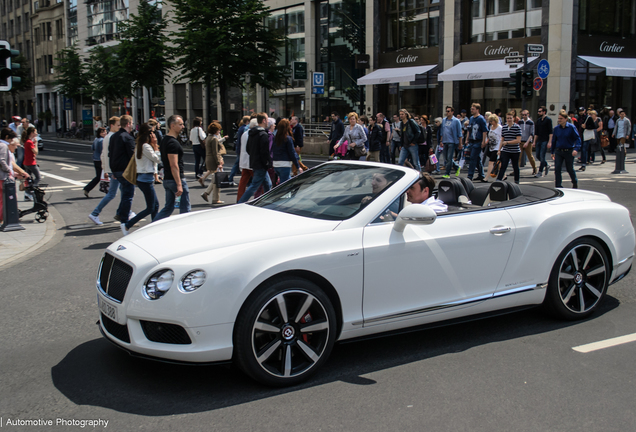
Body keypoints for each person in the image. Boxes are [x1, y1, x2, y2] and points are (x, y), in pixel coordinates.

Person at [121, 123, 161, 235]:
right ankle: (128, 224)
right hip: (146, 179)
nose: (154, 135)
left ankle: (154, 226)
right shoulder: (146, 146)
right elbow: (157, 159)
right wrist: (156, 146)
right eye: (152, 133)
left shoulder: (140, 145)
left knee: (155, 205)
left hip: (143, 178)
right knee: (150, 207)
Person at [155, 115, 191, 220]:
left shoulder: (165, 140)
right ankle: (184, 229)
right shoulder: (172, 143)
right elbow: (174, 164)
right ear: (172, 126)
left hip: (168, 179)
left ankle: (153, 226)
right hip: (174, 179)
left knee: (168, 208)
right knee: (185, 208)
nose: (183, 126)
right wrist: (179, 184)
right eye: (180, 124)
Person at [108, 114, 137, 234]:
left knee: (125, 192)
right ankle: (124, 221)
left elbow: (111, 153)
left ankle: (120, 213)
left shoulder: (114, 136)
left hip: (116, 170)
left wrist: (112, 170)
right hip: (126, 170)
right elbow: (133, 156)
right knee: (128, 195)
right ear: (129, 124)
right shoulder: (128, 138)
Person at [237, 113, 273, 203]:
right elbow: (265, 152)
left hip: (254, 162)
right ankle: (240, 202)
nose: (268, 121)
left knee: (267, 184)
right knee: (254, 185)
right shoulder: (263, 134)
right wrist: (267, 163)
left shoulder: (251, 133)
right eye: (267, 119)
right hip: (261, 164)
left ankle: (267, 201)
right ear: (264, 121)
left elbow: (248, 149)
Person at [551, 110, 581, 189]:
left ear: (565, 119)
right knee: (557, 169)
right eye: (558, 118)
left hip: (569, 151)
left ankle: (574, 182)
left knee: (569, 169)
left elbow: (577, 138)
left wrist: (576, 149)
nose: (559, 120)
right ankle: (558, 186)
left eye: (561, 118)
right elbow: (554, 140)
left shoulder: (571, 127)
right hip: (559, 151)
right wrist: (552, 151)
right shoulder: (557, 128)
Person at [200, 121, 225, 205]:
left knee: (215, 179)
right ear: (215, 130)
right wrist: (219, 162)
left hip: (209, 159)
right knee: (217, 179)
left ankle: (207, 194)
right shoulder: (214, 139)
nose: (219, 131)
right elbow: (216, 152)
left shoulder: (208, 137)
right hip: (214, 160)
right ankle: (214, 198)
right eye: (218, 130)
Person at [272, 118, 302, 183]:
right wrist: (298, 166)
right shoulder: (288, 138)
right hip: (284, 164)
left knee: (288, 182)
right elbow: (292, 152)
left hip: (275, 164)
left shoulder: (274, 138)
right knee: (285, 185)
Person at [497, 112, 522, 184]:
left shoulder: (517, 127)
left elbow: (518, 140)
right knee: (503, 165)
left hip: (515, 150)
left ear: (513, 118)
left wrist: (507, 142)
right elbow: (502, 139)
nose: (509, 119)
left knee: (515, 166)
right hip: (506, 150)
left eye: (510, 118)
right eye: (507, 118)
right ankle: (499, 179)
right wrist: (499, 149)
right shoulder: (504, 127)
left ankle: (516, 181)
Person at [236, 117, 257, 202]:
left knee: (243, 182)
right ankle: (258, 197)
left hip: (244, 162)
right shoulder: (253, 134)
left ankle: (239, 199)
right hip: (251, 162)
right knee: (258, 182)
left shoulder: (245, 134)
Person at [466, 103, 488, 182]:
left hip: (478, 141)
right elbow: (469, 129)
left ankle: (470, 175)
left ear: (477, 110)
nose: (471, 110)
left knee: (472, 158)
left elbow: (484, 131)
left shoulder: (481, 119)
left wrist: (483, 141)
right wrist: (467, 139)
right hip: (472, 140)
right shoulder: (471, 118)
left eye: (473, 109)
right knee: (477, 158)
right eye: (471, 109)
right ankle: (481, 175)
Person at [83, 127, 107, 198]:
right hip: (101, 160)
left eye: (105, 132)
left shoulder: (96, 139)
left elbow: (92, 148)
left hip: (95, 159)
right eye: (103, 132)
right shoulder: (102, 141)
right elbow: (103, 151)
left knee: (99, 176)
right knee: (107, 175)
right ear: (100, 133)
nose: (105, 133)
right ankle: (109, 191)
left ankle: (87, 188)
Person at [440, 106, 463, 179]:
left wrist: (460, 143)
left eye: (449, 111)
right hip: (445, 141)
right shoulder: (444, 120)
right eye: (446, 111)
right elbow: (442, 131)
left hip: (452, 141)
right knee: (446, 158)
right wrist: (441, 140)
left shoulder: (456, 121)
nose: (447, 112)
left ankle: (447, 173)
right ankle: (456, 167)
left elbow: (459, 133)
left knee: (449, 158)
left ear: (452, 112)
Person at [228, 116, 250, 184]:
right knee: (237, 164)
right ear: (247, 121)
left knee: (238, 164)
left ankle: (231, 178)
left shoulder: (241, 128)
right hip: (242, 148)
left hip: (239, 147)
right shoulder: (245, 128)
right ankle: (230, 178)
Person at [533, 106, 553, 177]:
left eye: (540, 111)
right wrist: (534, 141)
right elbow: (536, 132)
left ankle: (540, 172)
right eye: (538, 111)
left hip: (545, 140)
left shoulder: (548, 120)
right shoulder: (538, 121)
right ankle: (546, 164)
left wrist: (550, 142)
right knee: (538, 155)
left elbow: (551, 132)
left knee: (542, 156)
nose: (538, 113)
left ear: (544, 112)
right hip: (539, 140)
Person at [22, 127, 40, 196]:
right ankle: (33, 190)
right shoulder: (29, 142)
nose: (36, 133)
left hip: (26, 162)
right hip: (31, 163)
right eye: (35, 132)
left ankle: (27, 193)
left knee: (29, 179)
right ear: (32, 133)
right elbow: (36, 152)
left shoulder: (27, 141)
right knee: (38, 177)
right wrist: (36, 143)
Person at [518, 110, 536, 175]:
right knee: (518, 156)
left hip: (528, 141)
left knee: (530, 156)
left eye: (525, 115)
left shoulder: (531, 122)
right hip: (521, 141)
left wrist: (527, 142)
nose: (524, 116)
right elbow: (518, 131)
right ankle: (516, 170)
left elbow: (532, 133)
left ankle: (534, 168)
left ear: (528, 114)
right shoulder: (520, 122)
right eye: (523, 115)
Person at [485, 114, 502, 180]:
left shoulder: (500, 128)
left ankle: (487, 177)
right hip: (491, 147)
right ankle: (503, 175)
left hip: (497, 147)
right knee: (498, 162)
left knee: (491, 162)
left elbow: (502, 138)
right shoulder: (491, 127)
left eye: (491, 121)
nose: (490, 122)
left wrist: (500, 148)